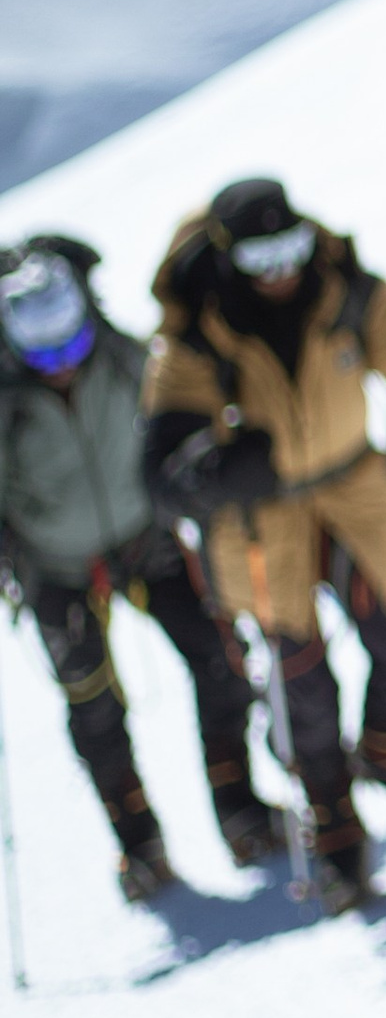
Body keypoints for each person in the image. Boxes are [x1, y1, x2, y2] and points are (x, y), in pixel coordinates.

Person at [141, 181, 386, 913]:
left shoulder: (347, 291)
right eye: (262, 256)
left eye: (292, 248)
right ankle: (335, 830)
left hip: (353, 494)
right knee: (302, 683)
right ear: (232, 257)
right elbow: (163, 467)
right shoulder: (197, 331)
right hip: (261, 523)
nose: (282, 270)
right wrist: (213, 470)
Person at [1, 238, 277, 898]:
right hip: (57, 567)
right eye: (44, 356)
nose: (62, 367)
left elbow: (176, 413)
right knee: (94, 707)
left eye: (72, 347)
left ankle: (240, 809)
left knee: (218, 661)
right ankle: (140, 848)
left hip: (145, 539)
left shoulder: (126, 359)